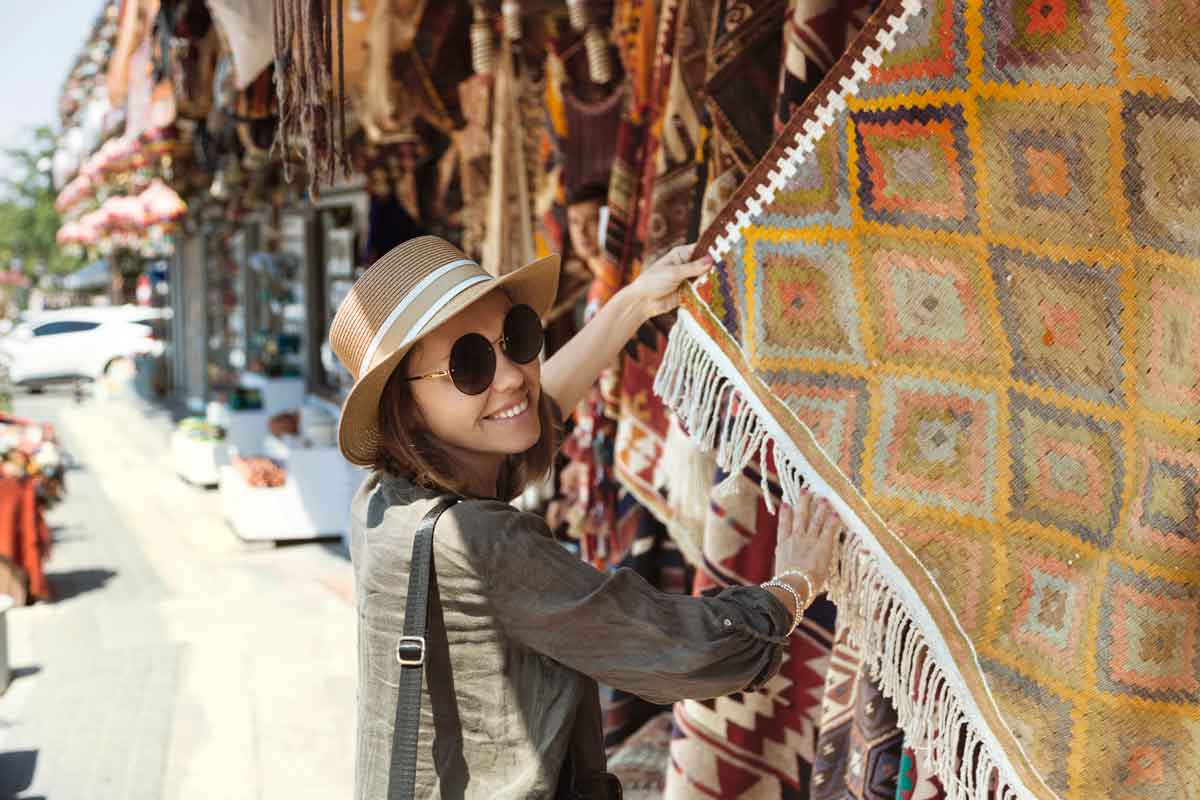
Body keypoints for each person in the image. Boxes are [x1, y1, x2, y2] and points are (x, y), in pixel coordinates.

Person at [329, 236, 844, 799]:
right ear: (406, 408)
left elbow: (531, 409)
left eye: (517, 339)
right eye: (468, 365)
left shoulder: (386, 503)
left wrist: (633, 304)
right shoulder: (482, 544)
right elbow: (683, 651)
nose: (509, 376)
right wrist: (793, 586)